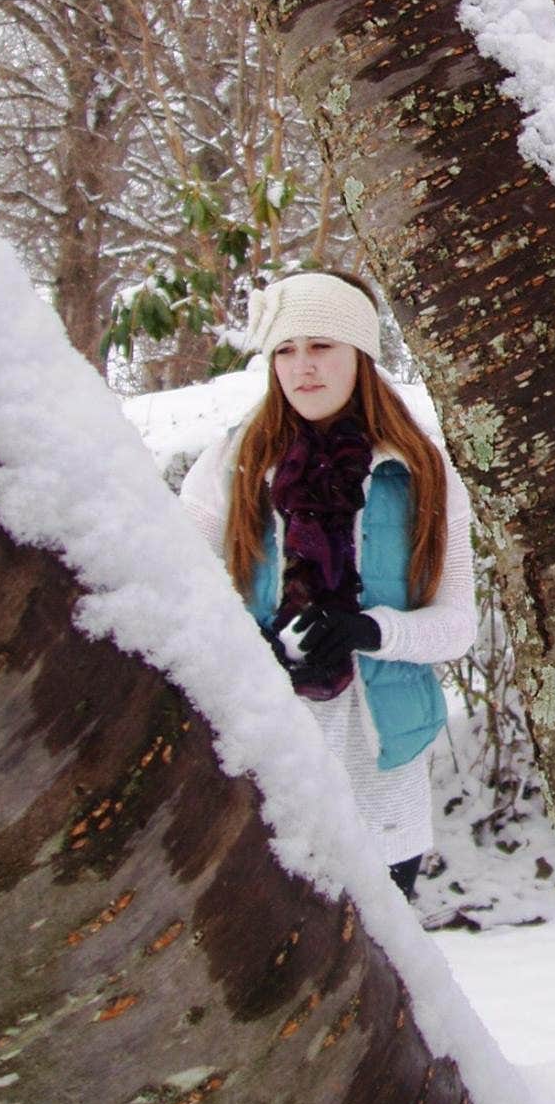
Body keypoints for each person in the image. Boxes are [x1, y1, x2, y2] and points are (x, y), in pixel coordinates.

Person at [180, 269, 476, 902]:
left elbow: (458, 625)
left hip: (382, 753)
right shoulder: (231, 465)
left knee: (381, 958)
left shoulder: (420, 470)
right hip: (266, 742)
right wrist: (251, 647)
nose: (301, 367)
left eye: (321, 346)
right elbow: (182, 595)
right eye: (285, 350)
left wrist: (368, 629)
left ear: (360, 356)